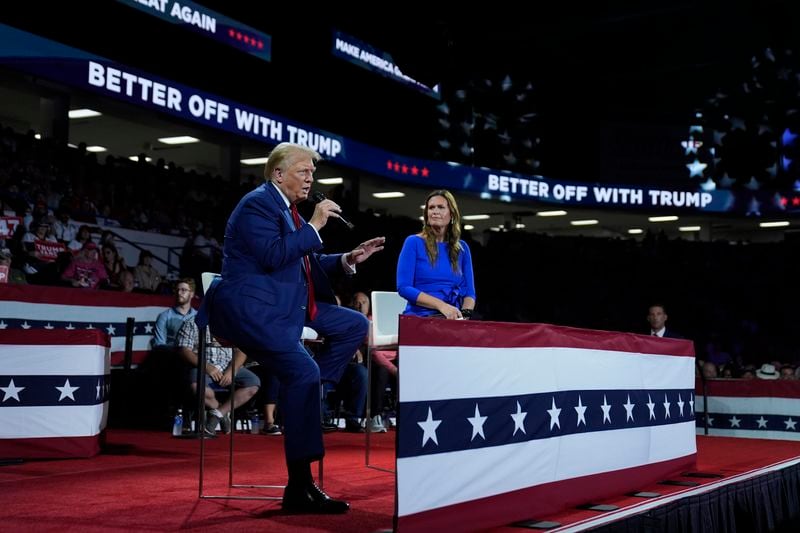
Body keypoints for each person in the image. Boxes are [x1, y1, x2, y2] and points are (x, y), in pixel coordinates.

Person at [196, 142, 385, 514]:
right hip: (255, 310)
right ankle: (299, 486)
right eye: (304, 171)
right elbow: (273, 255)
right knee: (303, 371)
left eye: (313, 173)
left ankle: (313, 394)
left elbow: (306, 263)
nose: (311, 179)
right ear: (278, 174)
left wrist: (348, 259)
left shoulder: (290, 212)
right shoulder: (257, 204)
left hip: (289, 303)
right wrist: (315, 224)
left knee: (354, 324)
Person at [396, 189, 476, 319]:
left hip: (453, 318)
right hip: (420, 317)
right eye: (431, 208)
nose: (435, 211)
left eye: (441, 207)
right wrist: (442, 306)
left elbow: (470, 293)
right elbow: (404, 287)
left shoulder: (462, 248)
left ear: (452, 215)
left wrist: (464, 317)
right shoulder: (413, 242)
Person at [175, 318, 260, 435]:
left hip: (228, 366)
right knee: (196, 387)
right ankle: (219, 410)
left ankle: (219, 413)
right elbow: (184, 350)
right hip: (203, 366)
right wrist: (207, 367)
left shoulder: (232, 322)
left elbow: (241, 350)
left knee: (253, 383)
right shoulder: (193, 322)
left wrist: (232, 370)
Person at [154, 278, 197, 348]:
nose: (179, 293)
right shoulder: (164, 316)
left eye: (183, 290)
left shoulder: (197, 316)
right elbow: (159, 345)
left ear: (192, 294)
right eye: (177, 290)